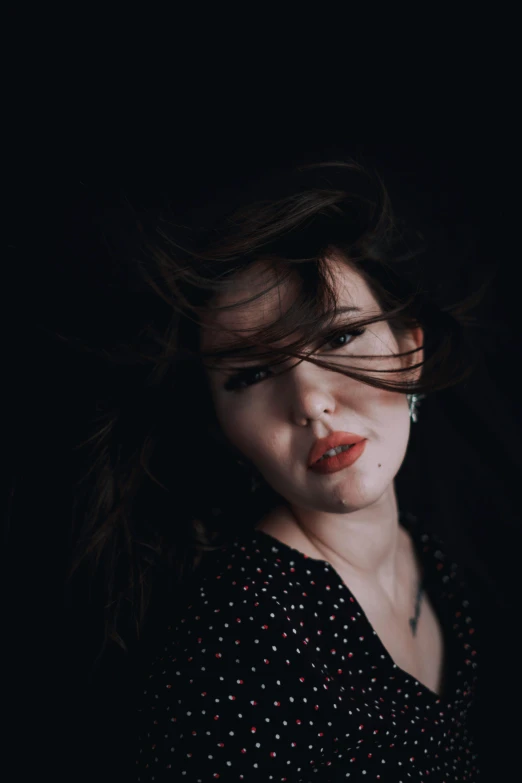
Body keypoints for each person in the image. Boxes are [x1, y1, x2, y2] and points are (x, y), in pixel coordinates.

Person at [67, 159, 486, 780]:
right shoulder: (241, 642)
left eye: (340, 338)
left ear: (410, 350)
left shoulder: (426, 556)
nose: (312, 402)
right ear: (222, 427)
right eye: (253, 375)